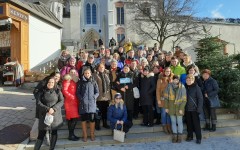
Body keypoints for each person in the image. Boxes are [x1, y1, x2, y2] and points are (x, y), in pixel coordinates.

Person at [34, 77, 64, 150]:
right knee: (41, 133)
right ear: (46, 83)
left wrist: (54, 109)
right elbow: (38, 103)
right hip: (44, 114)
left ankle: (51, 148)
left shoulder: (57, 91)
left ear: (54, 83)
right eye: (49, 82)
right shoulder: (41, 91)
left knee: (54, 132)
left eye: (52, 82)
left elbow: (61, 101)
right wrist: (47, 109)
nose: (50, 84)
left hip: (55, 115)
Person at [77, 68, 99, 142]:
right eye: (85, 73)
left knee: (92, 119)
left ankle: (92, 134)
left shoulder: (93, 81)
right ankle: (85, 134)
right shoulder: (80, 82)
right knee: (83, 119)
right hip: (83, 104)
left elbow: (97, 92)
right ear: (83, 74)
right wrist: (81, 98)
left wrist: (94, 97)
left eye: (88, 73)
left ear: (90, 74)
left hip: (92, 104)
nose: (87, 74)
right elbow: (78, 93)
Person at [164, 75, 186, 143]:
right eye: (174, 79)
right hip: (171, 107)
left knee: (179, 122)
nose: (175, 81)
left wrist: (181, 108)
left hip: (179, 107)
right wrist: (166, 107)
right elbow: (166, 98)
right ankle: (174, 136)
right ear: (172, 80)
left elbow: (184, 99)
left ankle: (179, 136)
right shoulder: (169, 86)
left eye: (177, 80)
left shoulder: (182, 87)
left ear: (179, 80)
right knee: (173, 122)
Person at [62, 69, 80, 141]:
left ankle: (71, 134)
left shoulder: (75, 80)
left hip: (75, 102)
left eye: (74, 72)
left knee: (73, 119)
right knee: (73, 119)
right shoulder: (67, 80)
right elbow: (64, 91)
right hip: (70, 102)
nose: (73, 73)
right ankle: (71, 135)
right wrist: (71, 97)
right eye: (71, 72)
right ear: (69, 73)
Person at [185, 74, 203, 144]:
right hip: (187, 109)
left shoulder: (196, 87)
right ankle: (190, 136)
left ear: (193, 80)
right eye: (187, 80)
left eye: (190, 80)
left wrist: (199, 109)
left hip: (194, 109)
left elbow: (200, 98)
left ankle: (199, 138)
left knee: (196, 124)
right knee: (189, 124)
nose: (188, 81)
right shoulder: (184, 87)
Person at [93, 63, 111, 130]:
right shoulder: (95, 75)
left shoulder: (106, 74)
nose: (101, 68)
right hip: (99, 96)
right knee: (98, 112)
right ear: (98, 68)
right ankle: (97, 125)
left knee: (105, 111)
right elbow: (94, 85)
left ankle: (105, 123)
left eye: (102, 67)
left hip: (106, 96)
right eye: (100, 67)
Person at [156, 67, 173, 134]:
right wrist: (158, 100)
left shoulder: (171, 79)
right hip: (163, 99)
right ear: (164, 72)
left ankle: (168, 125)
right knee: (163, 113)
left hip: (170, 100)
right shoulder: (160, 80)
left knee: (168, 113)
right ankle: (164, 125)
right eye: (166, 71)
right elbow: (157, 90)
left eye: (169, 71)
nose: (167, 73)